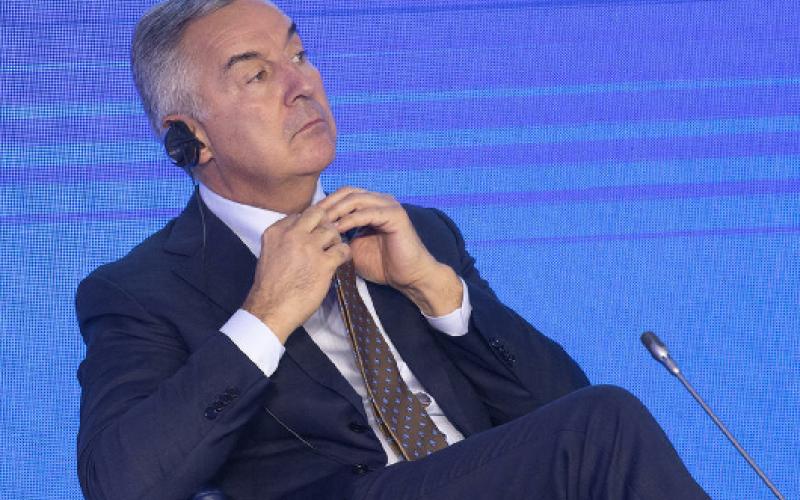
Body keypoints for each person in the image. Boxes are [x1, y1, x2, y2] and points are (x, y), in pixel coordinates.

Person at [75, 0, 710, 499]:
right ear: (189, 138)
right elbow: (122, 483)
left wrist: (438, 292)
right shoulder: (141, 290)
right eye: (258, 74)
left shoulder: (416, 233)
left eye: (300, 55)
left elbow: (568, 424)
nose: (301, 84)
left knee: (599, 421)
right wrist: (264, 316)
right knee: (602, 421)